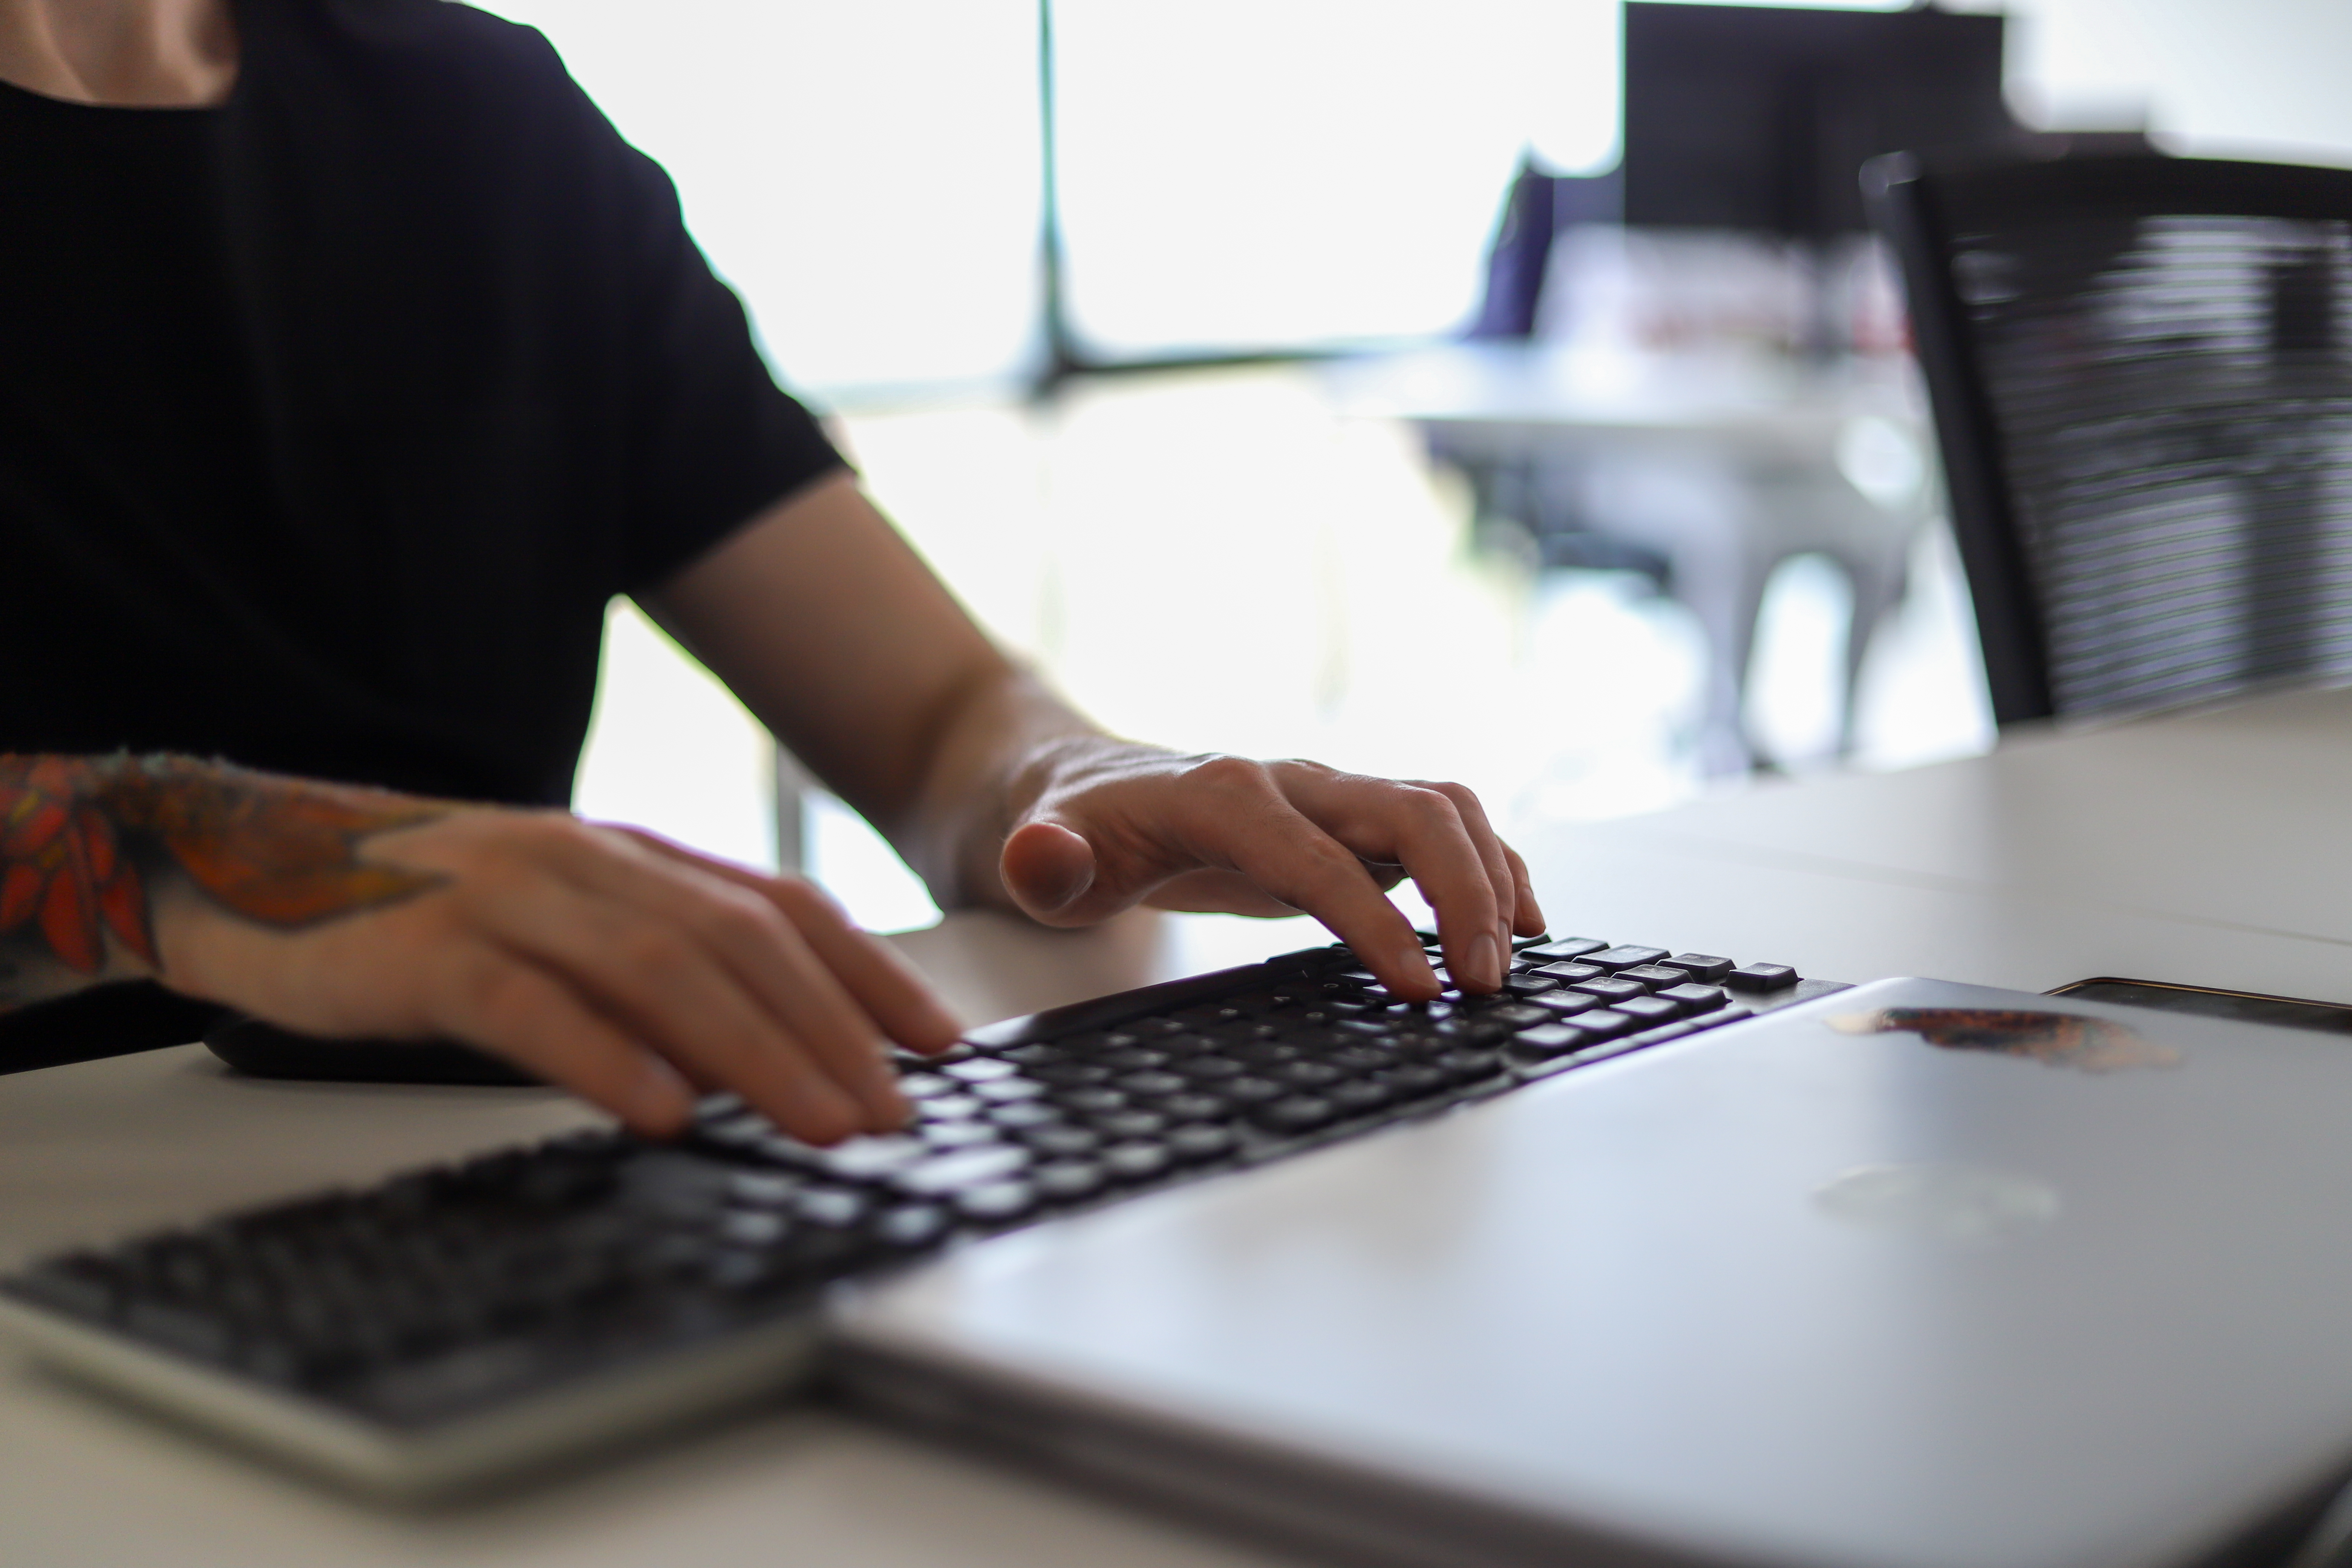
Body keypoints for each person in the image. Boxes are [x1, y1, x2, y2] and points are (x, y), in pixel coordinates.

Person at [0, 0, 1544, 1145]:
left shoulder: (480, 118)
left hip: (520, 1196)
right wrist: (204, 863)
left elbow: (936, 715)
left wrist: (1083, 779)